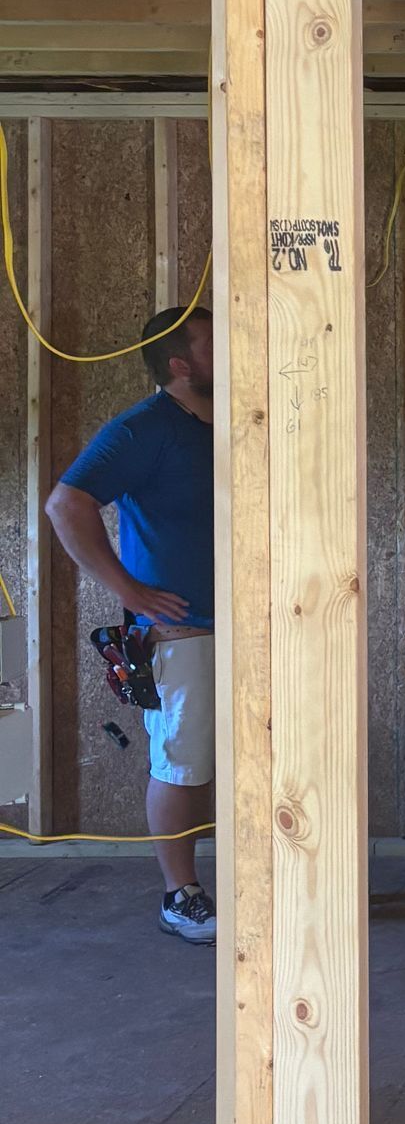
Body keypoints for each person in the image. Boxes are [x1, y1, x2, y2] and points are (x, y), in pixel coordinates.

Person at [44, 304, 217, 944]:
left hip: (254, 626)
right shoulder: (144, 428)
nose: (231, 351)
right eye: (212, 344)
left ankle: (265, 882)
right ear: (180, 364)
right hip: (183, 632)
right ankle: (181, 897)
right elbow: (66, 504)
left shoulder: (238, 421)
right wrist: (131, 591)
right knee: (182, 764)